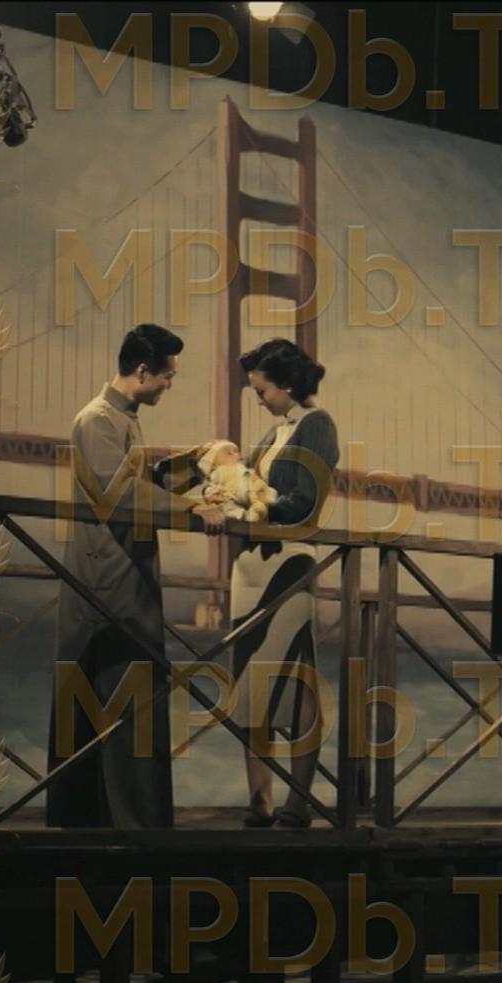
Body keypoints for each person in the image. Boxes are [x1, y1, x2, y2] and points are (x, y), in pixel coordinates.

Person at [49, 324, 228, 829]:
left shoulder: (119, 419)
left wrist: (198, 464)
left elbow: (141, 481)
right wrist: (193, 509)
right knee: (126, 706)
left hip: (120, 584)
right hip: (107, 589)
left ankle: (112, 822)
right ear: (144, 371)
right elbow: (120, 494)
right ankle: (129, 826)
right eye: (168, 376)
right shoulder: (96, 421)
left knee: (123, 705)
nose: (170, 384)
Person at [230, 338, 339, 828]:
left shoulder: (317, 426)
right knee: (250, 687)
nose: (258, 398)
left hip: (288, 566)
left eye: (262, 389)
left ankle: (297, 803)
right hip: (251, 569)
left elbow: (304, 503)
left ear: (288, 384)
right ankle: (261, 801)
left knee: (294, 681)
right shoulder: (275, 432)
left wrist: (250, 500)